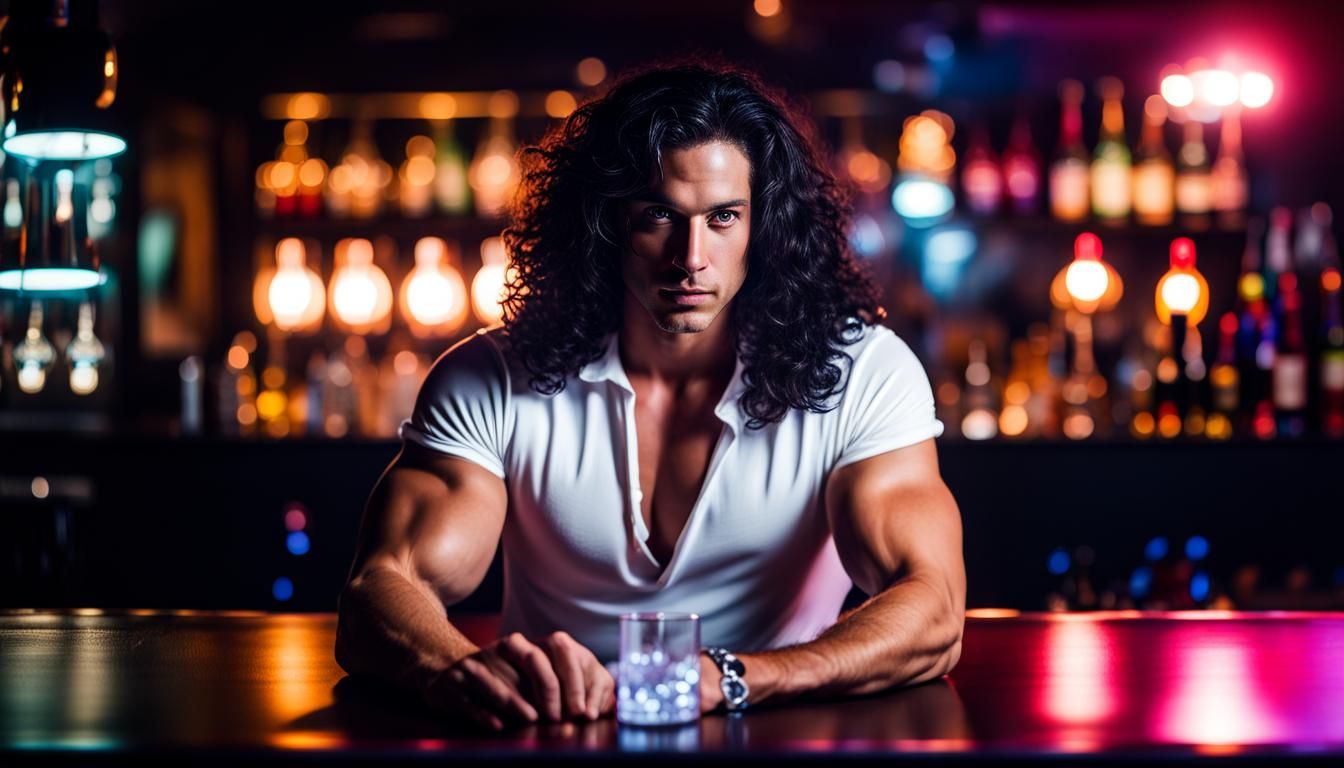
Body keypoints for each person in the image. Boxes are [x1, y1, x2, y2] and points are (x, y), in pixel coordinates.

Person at [335, 59, 965, 732]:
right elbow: (383, 586)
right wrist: (453, 670)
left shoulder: (862, 371)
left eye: (723, 217)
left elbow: (933, 608)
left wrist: (732, 678)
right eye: (659, 215)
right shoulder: (491, 375)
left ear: (765, 226)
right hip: (557, 735)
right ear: (604, 225)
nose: (690, 256)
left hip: (779, 732)